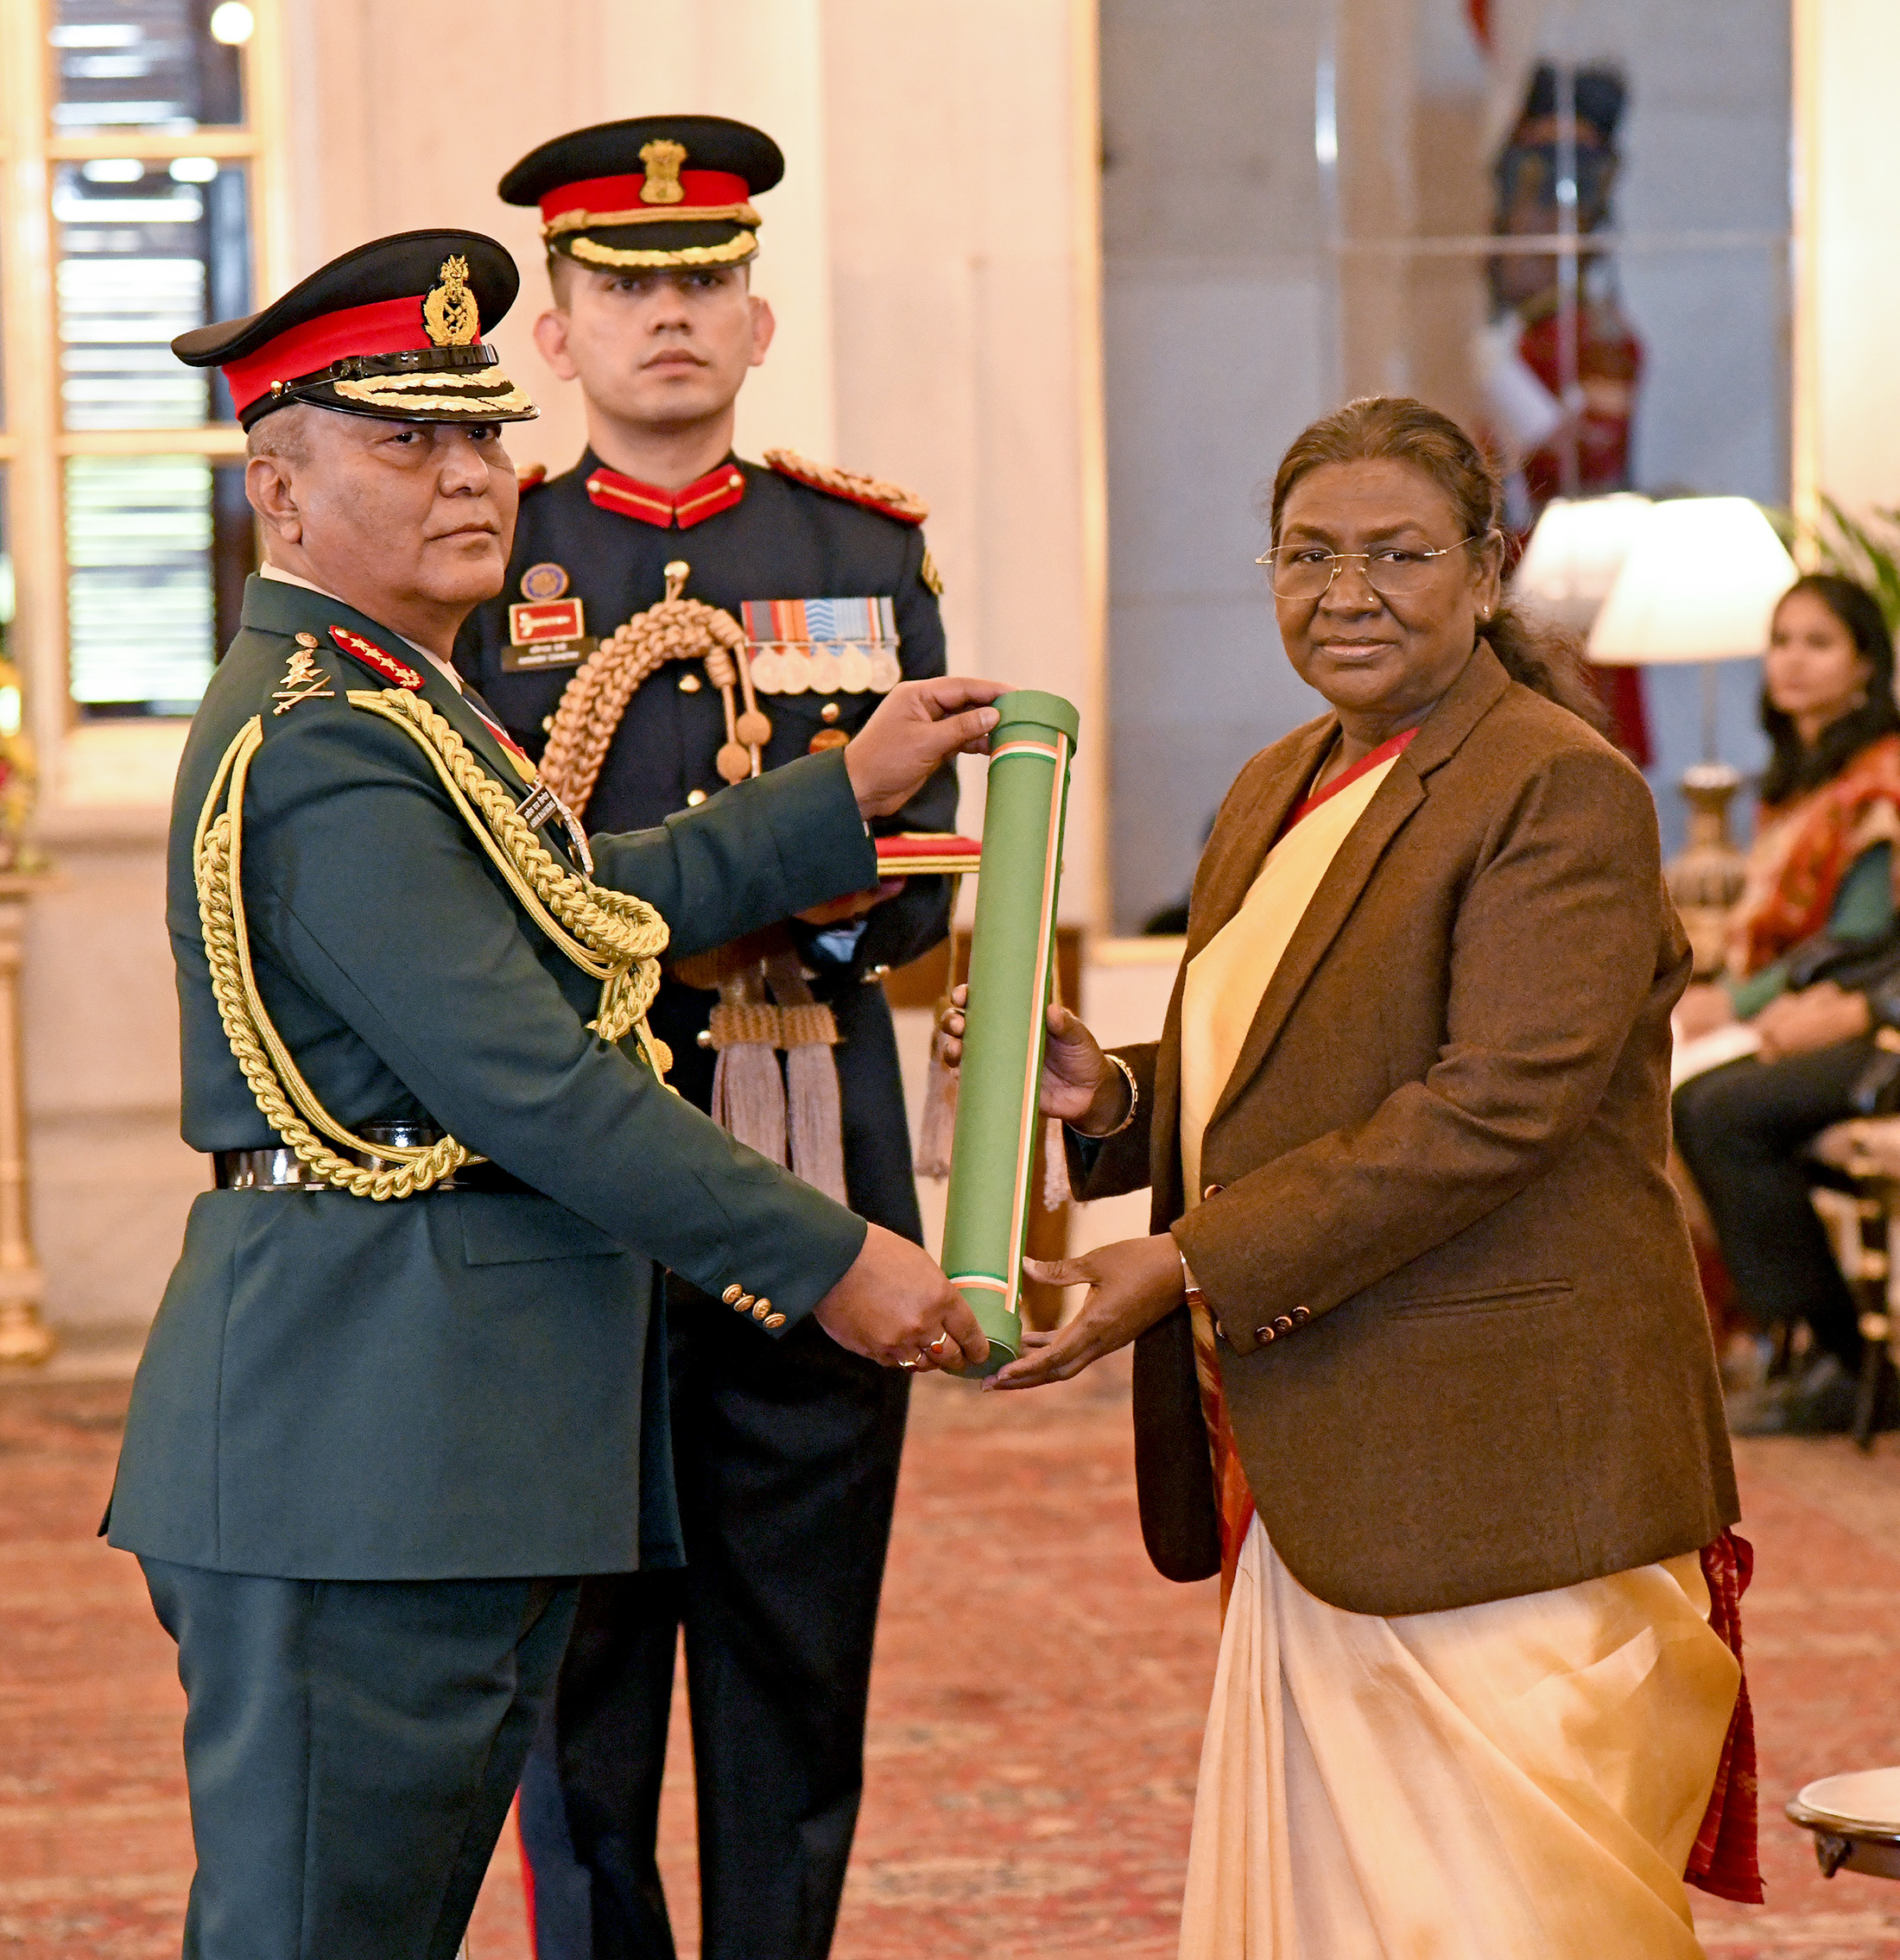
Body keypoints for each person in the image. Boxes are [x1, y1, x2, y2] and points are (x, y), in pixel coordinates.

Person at [101, 229, 999, 1960]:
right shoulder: (320, 747)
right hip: (355, 1433)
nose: (470, 476)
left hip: (426, 1429)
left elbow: (588, 892)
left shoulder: (398, 708)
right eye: (405, 443)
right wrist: (839, 1261)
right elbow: (534, 1075)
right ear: (277, 494)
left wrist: (837, 793)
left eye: (482, 436)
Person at [945, 396, 1756, 1955]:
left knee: (1508, 1916)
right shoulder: (1280, 781)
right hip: (1327, 1425)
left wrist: (1186, 1263)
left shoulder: (1557, 786)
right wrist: (1109, 1091)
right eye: (1308, 555)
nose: (1349, 592)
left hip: (1516, 1460)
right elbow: (1294, 1070)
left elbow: (1494, 1106)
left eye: (1400, 553)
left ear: (1488, 569)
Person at [452, 117, 956, 1960]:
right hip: (565, 1159)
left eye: (703, 281)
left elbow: (924, 884)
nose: (668, 312)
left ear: (753, 324)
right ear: (554, 338)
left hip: (803, 1115)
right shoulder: (477, 556)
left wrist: (809, 890)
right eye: (622, 285)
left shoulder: (863, 546)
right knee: (573, 1680)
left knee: (795, 1660)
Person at [1672, 573, 1900, 1434]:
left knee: (1718, 1108)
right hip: (1825, 1007)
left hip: (1869, 1020)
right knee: (1684, 1090)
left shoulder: (1879, 780)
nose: (1792, 661)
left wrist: (1732, 1002)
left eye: (1818, 642)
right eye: (1782, 639)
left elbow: (1860, 936)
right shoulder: (1802, 775)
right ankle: (1775, 1345)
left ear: (1864, 664)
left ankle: (1835, 1356)